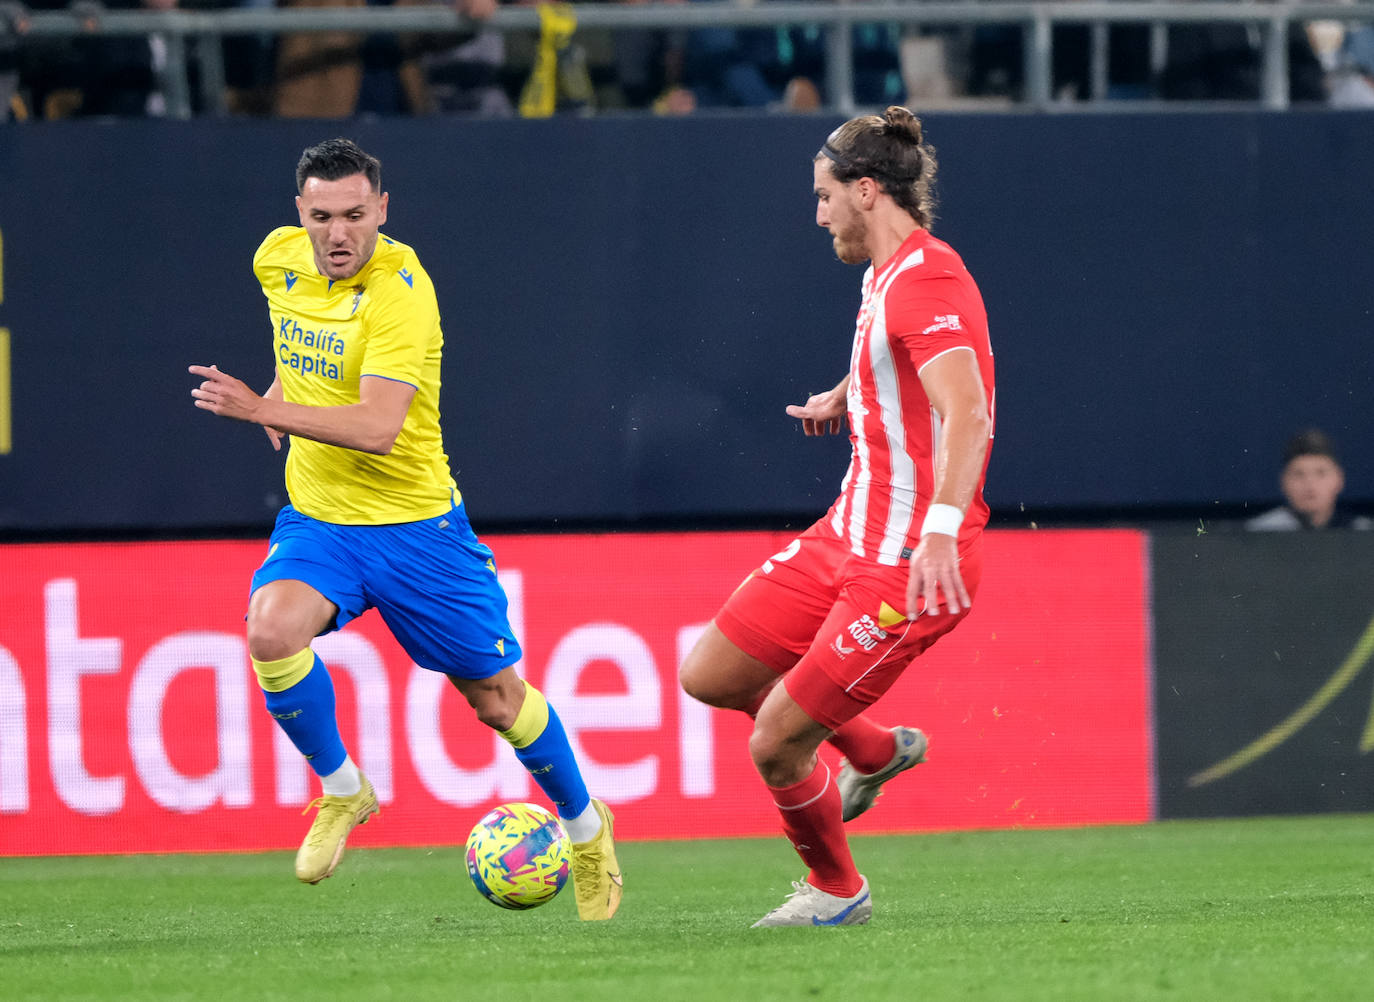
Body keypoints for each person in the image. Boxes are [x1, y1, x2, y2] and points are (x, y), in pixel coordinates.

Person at [187, 138, 622, 920]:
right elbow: (301, 338)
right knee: (270, 630)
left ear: (382, 209)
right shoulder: (275, 260)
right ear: (299, 213)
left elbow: (379, 427)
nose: (339, 234)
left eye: (356, 215)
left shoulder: (401, 291)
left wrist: (260, 408)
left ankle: (588, 829)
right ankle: (344, 790)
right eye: (322, 217)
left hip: (417, 528)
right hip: (322, 519)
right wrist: (284, 387)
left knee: (497, 700)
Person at [679, 107, 994, 927]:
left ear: (866, 191)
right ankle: (873, 749)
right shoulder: (885, 274)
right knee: (710, 675)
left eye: (824, 197)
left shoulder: (928, 279)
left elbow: (968, 412)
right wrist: (850, 393)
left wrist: (939, 530)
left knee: (776, 742)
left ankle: (836, 890)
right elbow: (901, 355)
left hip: (906, 564)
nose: (817, 216)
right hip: (847, 532)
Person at [1245, 429, 1372, 531]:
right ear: (1283, 482)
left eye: (1321, 473)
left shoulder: (1365, 533)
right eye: (1299, 474)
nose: (1309, 484)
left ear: (1339, 479)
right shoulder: (1258, 533)